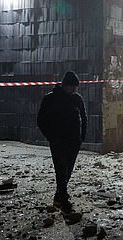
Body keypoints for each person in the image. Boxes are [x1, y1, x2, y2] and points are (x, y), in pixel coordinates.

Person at [37, 71, 87, 213]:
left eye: (76, 88)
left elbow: (84, 117)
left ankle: (59, 197)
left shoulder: (77, 99)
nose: (74, 90)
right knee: (61, 170)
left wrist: (82, 136)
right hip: (58, 142)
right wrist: (52, 137)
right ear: (65, 85)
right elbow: (41, 121)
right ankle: (64, 201)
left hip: (74, 141)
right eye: (72, 87)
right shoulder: (51, 99)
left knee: (68, 170)